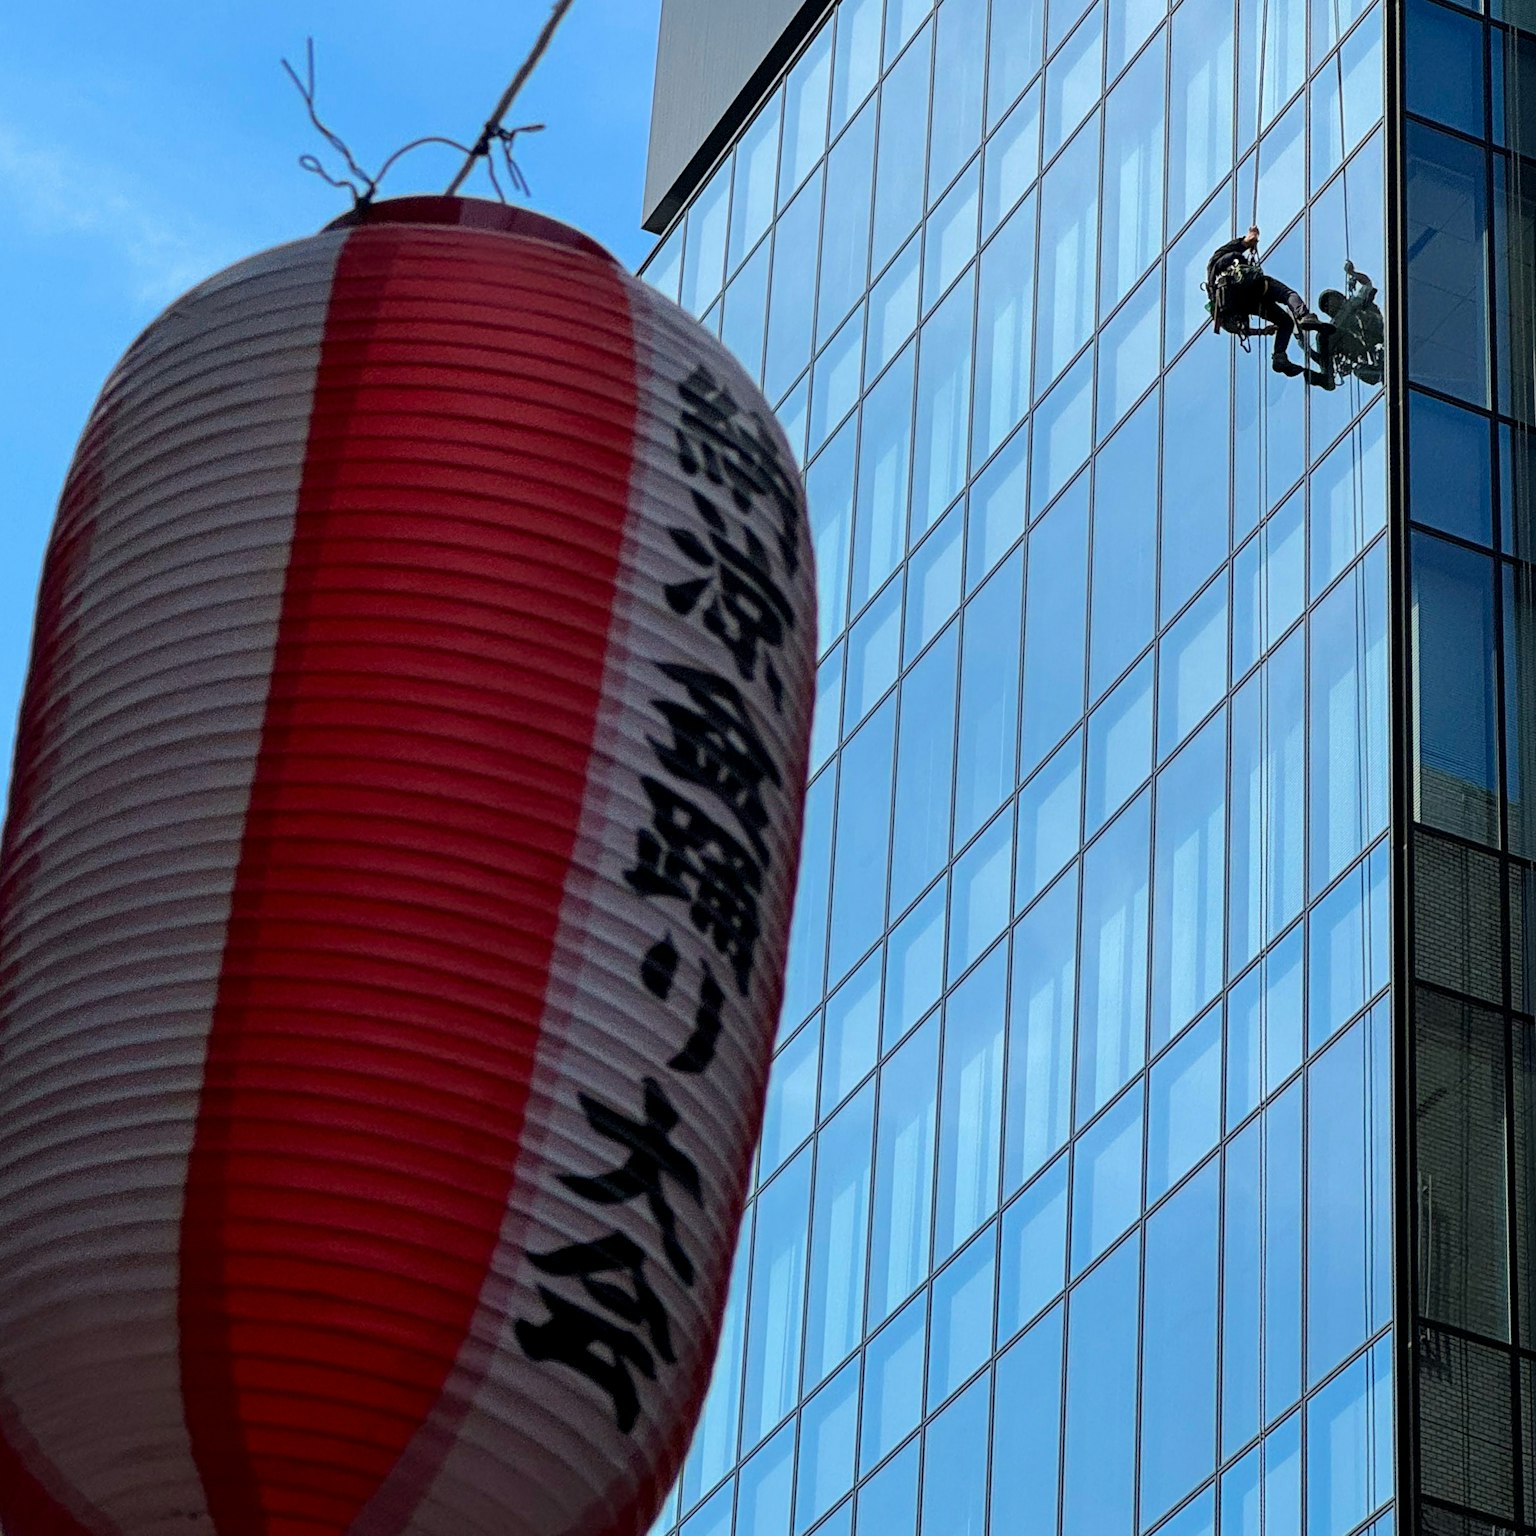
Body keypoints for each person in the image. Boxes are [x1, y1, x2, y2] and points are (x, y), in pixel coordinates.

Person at [1207, 226, 1323, 376]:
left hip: (1247, 305)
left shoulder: (1215, 292)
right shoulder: (1219, 258)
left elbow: (1230, 327)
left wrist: (1262, 331)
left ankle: (1280, 358)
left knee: (1285, 322)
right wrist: (1251, 236)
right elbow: (1247, 241)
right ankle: (1304, 316)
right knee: (1287, 294)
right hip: (1257, 288)